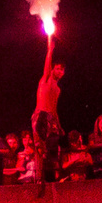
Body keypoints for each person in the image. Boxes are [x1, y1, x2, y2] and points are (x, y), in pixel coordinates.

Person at [31, 36, 64, 183]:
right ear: (53, 69)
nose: (59, 71)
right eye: (57, 68)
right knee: (39, 148)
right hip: (41, 116)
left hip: (51, 118)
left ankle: (52, 177)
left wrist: (59, 125)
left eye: (62, 69)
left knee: (52, 149)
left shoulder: (57, 88)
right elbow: (47, 63)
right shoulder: (45, 79)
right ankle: (39, 178)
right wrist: (50, 49)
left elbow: (55, 108)